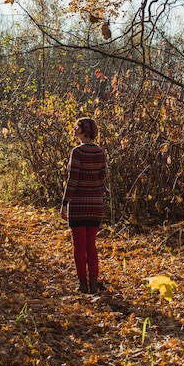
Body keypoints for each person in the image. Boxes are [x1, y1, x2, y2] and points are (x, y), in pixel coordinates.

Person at [60, 117, 107, 294]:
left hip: (79, 204)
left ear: (84, 130)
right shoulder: (100, 152)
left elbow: (72, 180)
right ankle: (93, 282)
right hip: (95, 205)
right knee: (91, 245)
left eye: (77, 127)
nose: (74, 129)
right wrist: (96, 196)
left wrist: (65, 203)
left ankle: (82, 283)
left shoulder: (77, 152)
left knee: (79, 246)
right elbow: (102, 178)